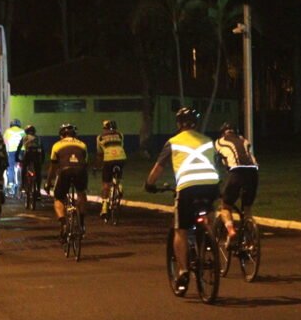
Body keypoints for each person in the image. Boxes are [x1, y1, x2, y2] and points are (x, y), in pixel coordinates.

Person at [144, 107, 220, 293]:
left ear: (178, 124)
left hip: (187, 187)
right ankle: (210, 244)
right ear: (196, 124)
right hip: (211, 185)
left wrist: (149, 184)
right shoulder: (208, 141)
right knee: (208, 215)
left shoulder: (173, 142)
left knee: (181, 229)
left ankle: (184, 271)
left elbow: (158, 168)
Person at [214, 122, 259, 246]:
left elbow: (218, 161)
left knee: (225, 206)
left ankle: (231, 231)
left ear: (223, 133)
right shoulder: (244, 140)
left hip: (237, 172)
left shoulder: (219, 142)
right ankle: (250, 238)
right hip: (253, 173)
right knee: (247, 210)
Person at [45, 123, 89, 241]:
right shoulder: (82, 145)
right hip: (80, 171)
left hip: (64, 171)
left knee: (58, 198)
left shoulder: (56, 145)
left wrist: (48, 183)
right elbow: (85, 163)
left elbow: (53, 167)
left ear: (61, 135)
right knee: (81, 193)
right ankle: (82, 224)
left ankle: (64, 224)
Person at [96, 119, 127, 220]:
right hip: (121, 158)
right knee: (119, 175)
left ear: (105, 128)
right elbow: (121, 146)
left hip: (108, 160)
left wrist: (97, 166)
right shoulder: (120, 135)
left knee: (105, 184)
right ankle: (119, 186)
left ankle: (104, 208)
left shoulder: (100, 137)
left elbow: (100, 154)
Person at [15, 125, 44, 198]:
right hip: (36, 155)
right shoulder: (38, 138)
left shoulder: (25, 138)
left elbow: (18, 148)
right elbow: (42, 150)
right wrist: (42, 160)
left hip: (28, 154)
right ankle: (38, 190)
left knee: (24, 169)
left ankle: (23, 185)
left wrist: (17, 158)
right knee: (38, 172)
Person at [3, 119, 26, 195]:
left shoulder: (8, 131)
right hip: (21, 151)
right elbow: (26, 141)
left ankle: (11, 184)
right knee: (24, 166)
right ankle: (24, 183)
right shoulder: (22, 131)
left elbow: (5, 142)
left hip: (11, 151)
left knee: (10, 167)